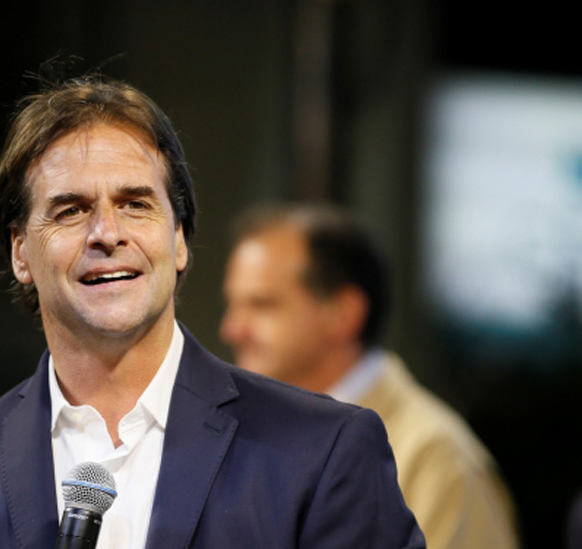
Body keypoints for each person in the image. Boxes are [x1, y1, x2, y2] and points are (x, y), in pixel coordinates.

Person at [0, 77, 424, 548]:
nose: (107, 234)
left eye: (135, 204)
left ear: (179, 238)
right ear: (20, 252)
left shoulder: (323, 452)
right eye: (71, 210)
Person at [220, 203, 519, 549]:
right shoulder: (243, 435)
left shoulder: (437, 460)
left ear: (344, 314)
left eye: (262, 305)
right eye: (233, 304)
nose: (232, 329)